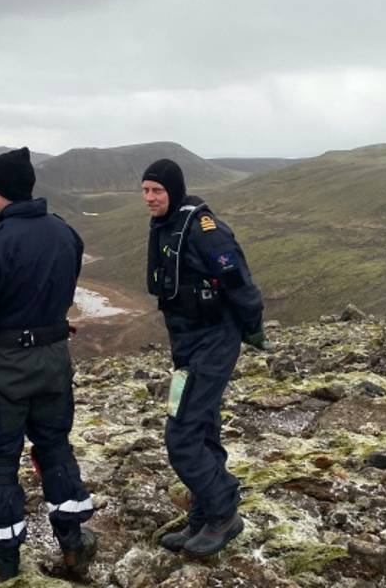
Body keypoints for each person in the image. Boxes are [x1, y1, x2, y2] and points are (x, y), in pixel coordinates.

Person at [0, 147, 96, 581]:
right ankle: (73, 545)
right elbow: (62, 293)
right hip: (53, 362)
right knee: (55, 448)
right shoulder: (65, 234)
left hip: (4, 369)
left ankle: (7, 565)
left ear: (5, 191)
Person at [141, 158, 268, 557]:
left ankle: (224, 511)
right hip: (188, 344)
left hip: (215, 340)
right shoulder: (165, 227)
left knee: (181, 435)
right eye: (145, 190)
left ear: (173, 191)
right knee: (203, 428)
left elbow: (236, 279)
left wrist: (253, 326)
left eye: (157, 191)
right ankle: (202, 518)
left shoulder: (202, 229)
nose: (149, 198)